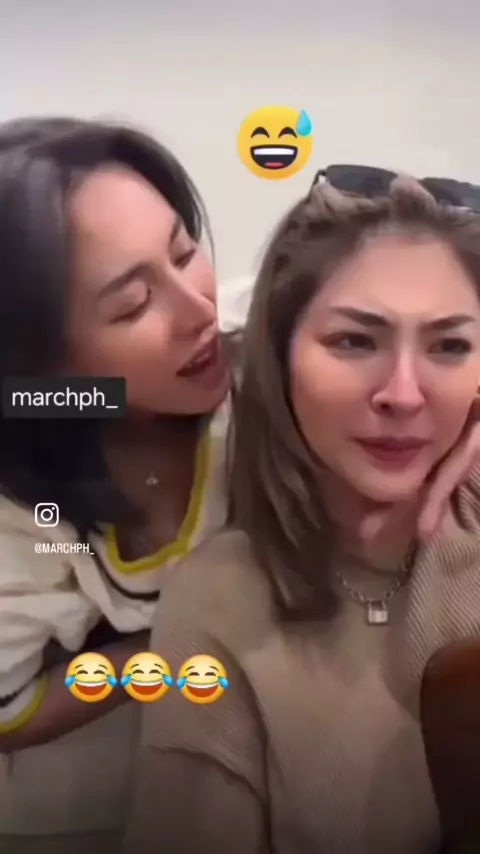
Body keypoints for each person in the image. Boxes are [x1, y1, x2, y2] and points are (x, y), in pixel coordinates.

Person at [125, 173, 480, 854]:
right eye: (354, 341)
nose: (403, 394)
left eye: (449, 346)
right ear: (280, 356)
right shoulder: (220, 601)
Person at [0, 116, 252, 850]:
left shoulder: (265, 346)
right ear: (45, 364)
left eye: (184, 251)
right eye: (134, 304)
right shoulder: (25, 506)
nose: (200, 311)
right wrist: (159, 655)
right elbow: (9, 707)